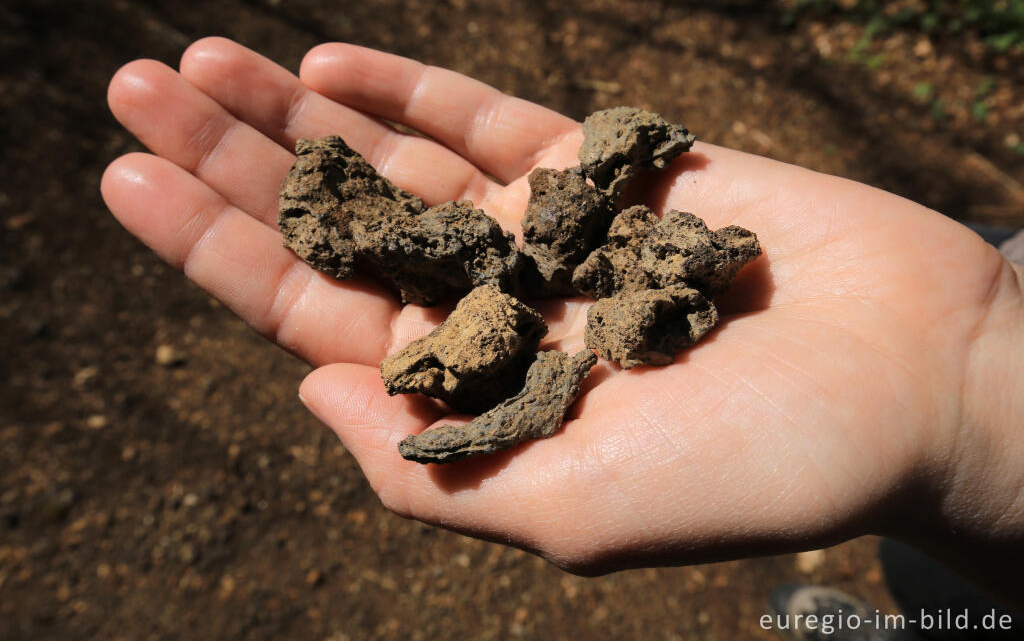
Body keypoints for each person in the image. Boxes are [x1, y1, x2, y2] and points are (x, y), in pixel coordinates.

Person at [102, 37, 1024, 611]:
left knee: (950, 591)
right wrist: (975, 376)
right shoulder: (496, 270)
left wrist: (970, 379)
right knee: (939, 589)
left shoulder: (593, 272)